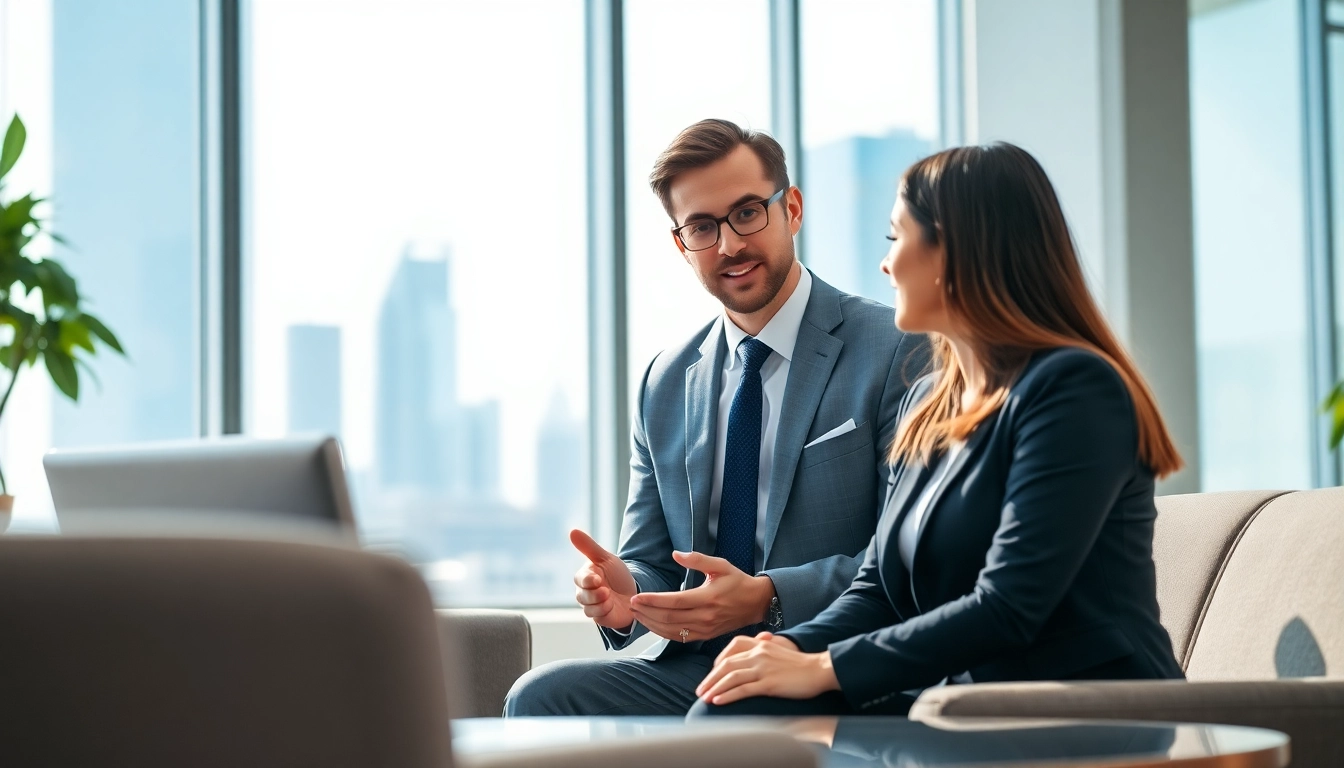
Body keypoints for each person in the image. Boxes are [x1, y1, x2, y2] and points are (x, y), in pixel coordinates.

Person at [689, 141, 1186, 717]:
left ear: (954, 249)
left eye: (895, 238)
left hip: (1088, 711)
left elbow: (1009, 606)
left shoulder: (1074, 389)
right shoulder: (929, 400)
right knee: (731, 705)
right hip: (967, 704)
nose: (886, 264)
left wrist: (822, 668)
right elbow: (877, 590)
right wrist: (780, 650)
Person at [504, 119, 928, 716]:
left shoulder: (893, 348)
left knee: (725, 712)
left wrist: (767, 599)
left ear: (793, 209)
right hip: (702, 668)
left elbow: (909, 556)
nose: (729, 245)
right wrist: (626, 596)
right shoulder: (665, 381)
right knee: (541, 697)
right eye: (702, 227)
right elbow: (650, 559)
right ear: (682, 244)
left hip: (835, 659)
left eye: (748, 213)